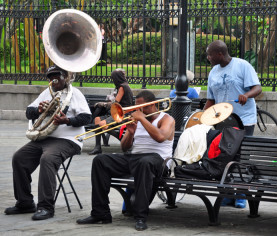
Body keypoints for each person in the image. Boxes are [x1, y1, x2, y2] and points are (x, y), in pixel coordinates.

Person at [77, 90, 175, 231]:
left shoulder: (167, 119)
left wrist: (142, 119)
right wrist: (130, 132)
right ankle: (100, 213)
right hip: (135, 158)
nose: (137, 110)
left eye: (142, 107)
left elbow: (160, 137)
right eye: (136, 107)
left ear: (153, 105)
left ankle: (141, 216)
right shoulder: (137, 120)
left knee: (144, 162)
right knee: (100, 160)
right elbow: (124, 147)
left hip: (159, 161)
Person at [4, 65, 92, 220]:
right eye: (50, 77)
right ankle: (25, 202)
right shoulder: (47, 93)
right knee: (19, 158)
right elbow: (28, 112)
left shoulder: (75, 94)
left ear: (66, 77)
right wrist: (38, 110)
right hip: (44, 138)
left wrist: (67, 120)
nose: (53, 80)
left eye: (57, 76)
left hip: (68, 140)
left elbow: (86, 118)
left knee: (48, 159)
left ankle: (46, 207)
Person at [204, 40, 262, 208]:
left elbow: (258, 88)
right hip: (222, 121)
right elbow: (211, 99)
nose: (208, 57)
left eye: (210, 54)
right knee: (223, 156)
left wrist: (247, 95)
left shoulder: (242, 66)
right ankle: (228, 194)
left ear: (220, 54)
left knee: (240, 156)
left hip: (243, 119)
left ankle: (241, 195)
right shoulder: (213, 72)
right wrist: (203, 118)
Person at [89, 68, 134, 155]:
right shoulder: (123, 86)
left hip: (123, 113)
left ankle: (122, 140)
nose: (113, 80)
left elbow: (115, 103)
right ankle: (97, 147)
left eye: (113, 78)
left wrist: (103, 104)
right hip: (117, 112)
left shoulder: (122, 87)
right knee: (97, 119)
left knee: (103, 124)